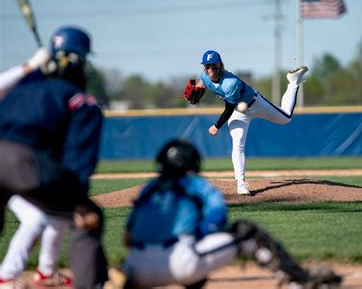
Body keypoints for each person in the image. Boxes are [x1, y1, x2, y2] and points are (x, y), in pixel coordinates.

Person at [105, 139, 342, 289]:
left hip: (136, 268)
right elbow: (218, 217)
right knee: (246, 232)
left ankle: (120, 281)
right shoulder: (196, 185)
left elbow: (127, 238)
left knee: (194, 265)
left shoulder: (148, 189)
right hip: (180, 262)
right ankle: (300, 281)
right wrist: (196, 235)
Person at [0, 25, 108, 288]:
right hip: (22, 163)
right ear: (79, 63)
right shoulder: (80, 100)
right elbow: (79, 161)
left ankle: (32, 273)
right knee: (87, 217)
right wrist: (78, 201)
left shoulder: (20, 91)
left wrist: (26, 68)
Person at [187, 50, 309, 195]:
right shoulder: (205, 76)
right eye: (207, 66)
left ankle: (293, 81)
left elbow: (228, 108)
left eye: (213, 66)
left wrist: (217, 126)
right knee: (237, 144)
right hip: (238, 112)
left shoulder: (230, 83)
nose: (210, 69)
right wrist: (197, 90)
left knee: (286, 118)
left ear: (220, 65)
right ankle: (241, 184)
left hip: (254, 104)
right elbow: (203, 82)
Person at [0, 45, 73, 288]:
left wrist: (40, 68)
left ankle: (41, 272)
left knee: (48, 214)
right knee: (41, 215)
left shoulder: (22, 94)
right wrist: (30, 65)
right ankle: (9, 276)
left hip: (10, 168)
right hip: (6, 166)